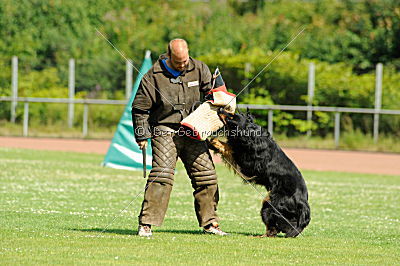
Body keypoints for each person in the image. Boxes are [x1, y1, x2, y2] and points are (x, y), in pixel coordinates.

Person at [132, 39, 227, 237]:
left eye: (185, 61)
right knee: (162, 175)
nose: (183, 65)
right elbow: (140, 108)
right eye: (178, 62)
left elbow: (213, 94)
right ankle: (146, 224)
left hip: (193, 129)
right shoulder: (153, 76)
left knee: (207, 176)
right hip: (164, 128)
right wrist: (142, 135)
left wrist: (221, 102)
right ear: (168, 56)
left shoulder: (199, 68)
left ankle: (210, 224)